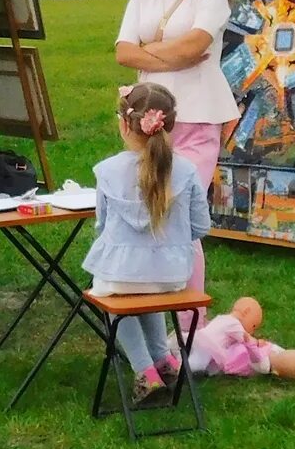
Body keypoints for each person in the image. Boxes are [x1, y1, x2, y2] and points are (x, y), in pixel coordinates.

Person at [115, 0, 238, 330]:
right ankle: (149, 313)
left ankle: (191, 326)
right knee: (147, 212)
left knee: (181, 215)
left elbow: (197, 45)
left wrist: (151, 54)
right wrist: (173, 56)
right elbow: (122, 52)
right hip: (149, 118)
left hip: (199, 117)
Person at [82, 83, 210, 406]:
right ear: (171, 125)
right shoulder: (187, 171)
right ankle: (163, 359)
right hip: (173, 275)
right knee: (146, 289)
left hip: (121, 273)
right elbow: (201, 226)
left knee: (111, 293)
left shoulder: (108, 171)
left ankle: (145, 371)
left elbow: (101, 225)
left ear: (125, 124)